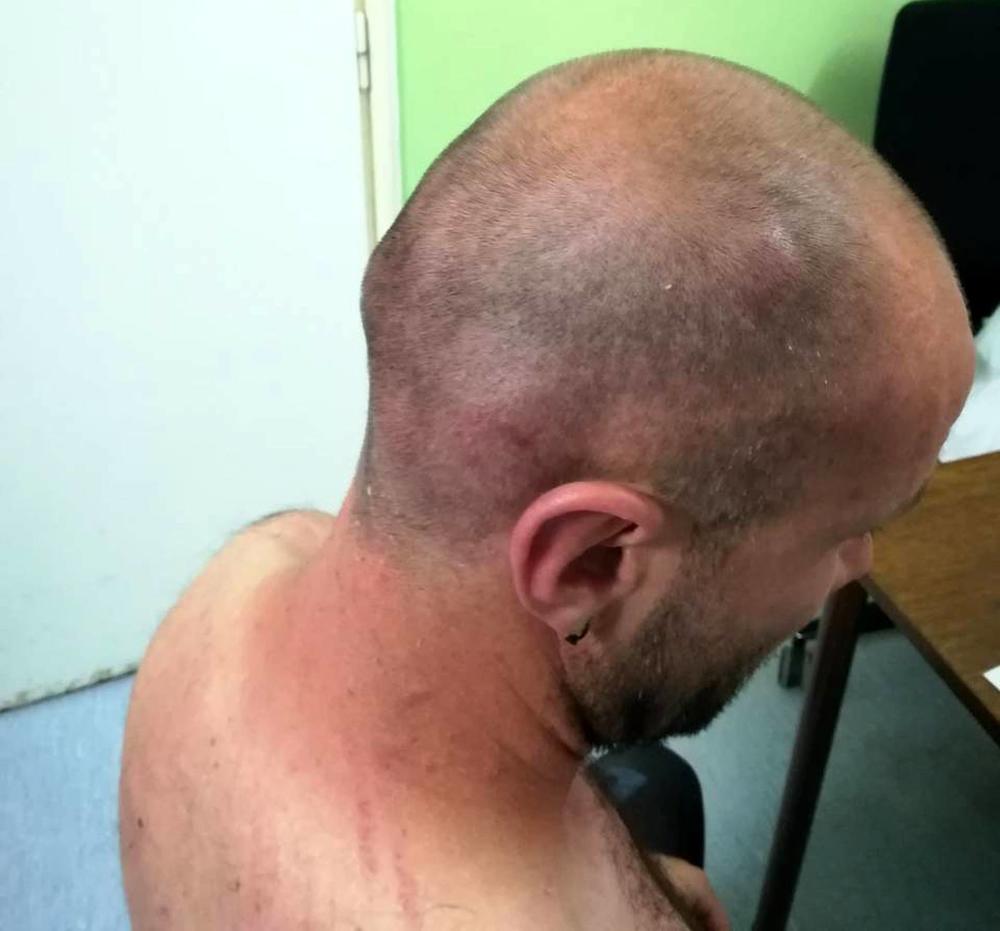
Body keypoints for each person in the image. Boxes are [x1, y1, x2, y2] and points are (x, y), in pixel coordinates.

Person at [119, 48, 975, 930]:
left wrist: (641, 880)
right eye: (847, 528)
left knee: (659, 788)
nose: (860, 562)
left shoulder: (242, 577)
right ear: (590, 560)